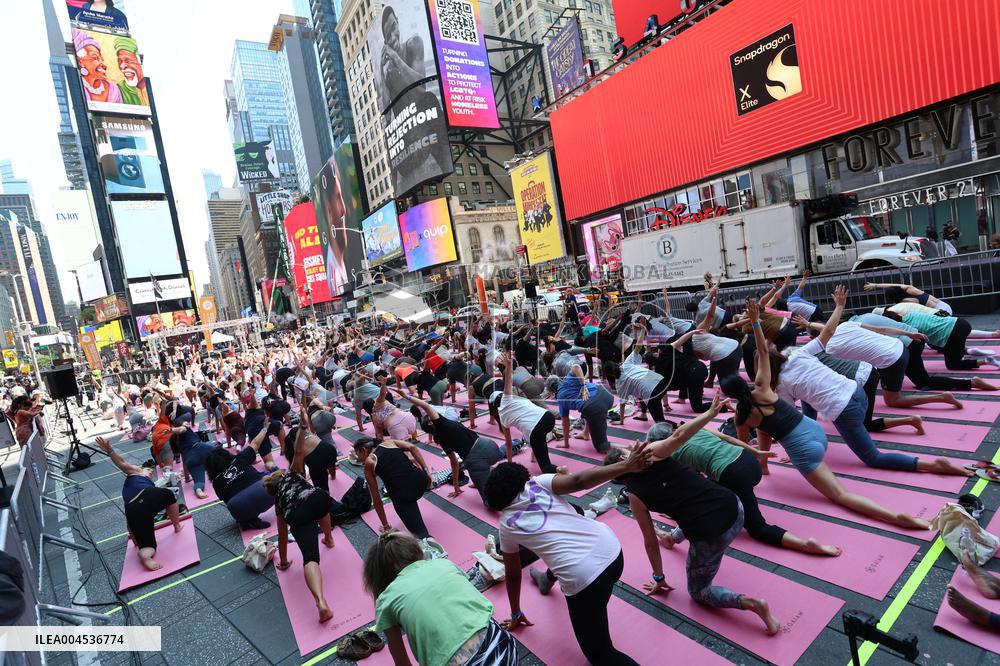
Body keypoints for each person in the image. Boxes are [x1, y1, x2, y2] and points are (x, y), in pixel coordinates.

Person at [721, 298, 930, 531]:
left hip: (808, 446)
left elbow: (747, 447)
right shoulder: (765, 386)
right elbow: (761, 350)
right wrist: (756, 324)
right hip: (819, 429)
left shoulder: (745, 414)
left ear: (731, 396)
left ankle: (895, 518)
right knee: (771, 424)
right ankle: (765, 465)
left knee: (840, 495)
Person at [484, 443, 653, 665]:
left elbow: (513, 575)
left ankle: (579, 602)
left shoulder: (506, 526)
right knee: (562, 552)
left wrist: (515, 613)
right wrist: (626, 465)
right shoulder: (539, 482)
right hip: (612, 550)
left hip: (585, 579)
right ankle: (546, 579)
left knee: (600, 654)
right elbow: (578, 481)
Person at [775, 288, 971, 477]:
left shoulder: (787, 378)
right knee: (920, 382)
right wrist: (839, 307)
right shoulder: (809, 348)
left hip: (856, 393)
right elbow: (832, 331)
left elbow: (794, 421)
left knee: (874, 452)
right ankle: (929, 407)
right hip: (872, 376)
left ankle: (930, 460)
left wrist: (797, 449)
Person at [602, 436, 781, 635]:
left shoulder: (635, 495)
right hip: (736, 508)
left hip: (714, 535)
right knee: (691, 508)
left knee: (699, 592)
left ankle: (752, 604)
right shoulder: (658, 453)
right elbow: (680, 435)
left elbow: (650, 543)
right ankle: (672, 538)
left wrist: (659, 578)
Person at [635, 401, 841, 556]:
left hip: (733, 474)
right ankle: (674, 536)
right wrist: (755, 452)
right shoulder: (694, 428)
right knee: (713, 488)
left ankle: (805, 544)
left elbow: (689, 487)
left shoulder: (673, 453)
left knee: (757, 528)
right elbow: (726, 438)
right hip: (749, 464)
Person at [364, 530, 518, 666]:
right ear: (418, 552)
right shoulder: (443, 564)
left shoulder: (386, 599)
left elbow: (400, 658)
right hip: (503, 645)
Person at [262, 421, 336, 623]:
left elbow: (283, 535)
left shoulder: (279, 503)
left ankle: (321, 602)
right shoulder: (294, 473)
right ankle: (329, 539)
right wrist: (302, 430)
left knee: (310, 558)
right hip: (316, 499)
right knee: (321, 504)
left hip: (298, 515)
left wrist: (284, 561)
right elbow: (299, 452)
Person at [96, 436, 183, 572]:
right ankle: (177, 526)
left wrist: (137, 541)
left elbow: (130, 523)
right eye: (149, 470)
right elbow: (122, 464)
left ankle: (145, 555)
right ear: (141, 469)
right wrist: (110, 451)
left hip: (133, 511)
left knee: (148, 547)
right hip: (145, 497)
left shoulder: (134, 487)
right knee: (170, 495)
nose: (151, 472)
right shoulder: (136, 472)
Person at [405, 391, 503, 503]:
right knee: (481, 471)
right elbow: (426, 406)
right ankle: (481, 479)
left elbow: (454, 463)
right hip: (491, 446)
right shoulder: (446, 423)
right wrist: (406, 397)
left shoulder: (441, 434)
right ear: (431, 423)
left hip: (477, 461)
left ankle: (484, 481)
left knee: (489, 502)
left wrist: (456, 486)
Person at [354, 437, 441, 549]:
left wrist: (386, 526)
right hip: (421, 481)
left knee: (421, 535)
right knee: (406, 489)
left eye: (358, 455)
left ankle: (433, 549)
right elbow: (412, 447)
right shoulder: (389, 443)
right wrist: (427, 473)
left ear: (363, 450)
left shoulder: (369, 462)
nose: (358, 460)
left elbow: (376, 499)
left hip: (404, 495)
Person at [492, 351, 558, 474]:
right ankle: (535, 454)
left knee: (546, 468)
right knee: (537, 437)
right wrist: (508, 367)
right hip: (547, 418)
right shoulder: (510, 399)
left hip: (535, 428)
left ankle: (563, 472)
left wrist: (510, 463)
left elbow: (508, 444)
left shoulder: (503, 417)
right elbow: (507, 383)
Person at [205, 427, 273, 531]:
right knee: (276, 478)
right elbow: (255, 443)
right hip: (264, 492)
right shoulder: (239, 459)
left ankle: (249, 520)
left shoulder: (216, 482)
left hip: (239, 507)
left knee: (237, 504)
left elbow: (227, 501)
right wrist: (264, 428)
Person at [552, 352, 615, 453]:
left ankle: (629, 449)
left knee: (602, 446)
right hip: (607, 393)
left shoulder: (561, 398)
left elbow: (565, 422)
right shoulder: (568, 379)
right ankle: (586, 433)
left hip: (596, 405)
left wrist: (566, 443)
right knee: (585, 409)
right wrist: (583, 385)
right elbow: (576, 366)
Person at [865, 281, 953, 314]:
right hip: (945, 305)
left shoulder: (906, 302)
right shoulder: (910, 289)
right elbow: (895, 285)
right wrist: (876, 285)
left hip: (942, 313)